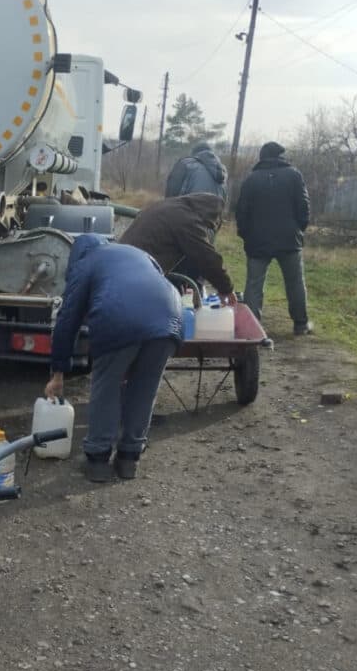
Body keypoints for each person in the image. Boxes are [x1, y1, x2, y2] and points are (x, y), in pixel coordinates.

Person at [45, 235, 183, 484]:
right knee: (144, 390)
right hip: (169, 319)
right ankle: (129, 458)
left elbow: (67, 321)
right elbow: (155, 283)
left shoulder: (85, 265)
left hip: (118, 320)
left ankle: (98, 460)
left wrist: (58, 372)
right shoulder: (137, 253)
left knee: (106, 388)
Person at [236, 141, 312, 334]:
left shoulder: (251, 179)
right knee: (295, 282)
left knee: (254, 284)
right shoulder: (294, 175)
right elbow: (304, 208)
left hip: (257, 240)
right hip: (289, 239)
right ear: (280, 156)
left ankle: (252, 328)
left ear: (262, 157)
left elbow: (241, 211)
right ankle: (301, 324)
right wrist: (299, 230)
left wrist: (246, 235)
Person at [119, 193, 237, 303]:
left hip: (122, 262)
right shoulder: (187, 220)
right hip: (137, 274)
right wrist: (226, 289)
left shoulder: (169, 206)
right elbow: (206, 257)